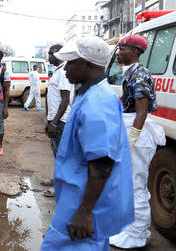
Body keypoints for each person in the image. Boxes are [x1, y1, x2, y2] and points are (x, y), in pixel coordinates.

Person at [40, 36, 134, 251]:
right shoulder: (91, 93)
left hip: (83, 203)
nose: (66, 69)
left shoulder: (96, 102)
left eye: (71, 63)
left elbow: (102, 161)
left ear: (88, 65)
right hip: (79, 198)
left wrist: (85, 211)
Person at [109, 35, 166, 249]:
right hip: (135, 129)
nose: (118, 52)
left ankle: (137, 234)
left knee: (136, 184)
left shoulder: (139, 74)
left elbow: (141, 112)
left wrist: (130, 141)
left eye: (122, 48)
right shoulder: (131, 73)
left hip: (138, 132)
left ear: (134, 52)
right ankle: (134, 228)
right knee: (132, 182)